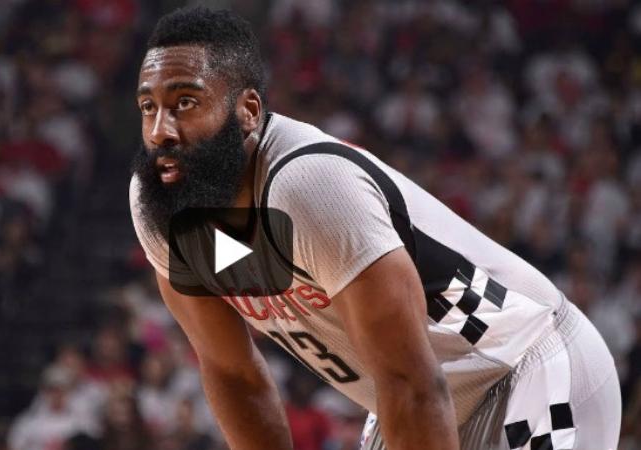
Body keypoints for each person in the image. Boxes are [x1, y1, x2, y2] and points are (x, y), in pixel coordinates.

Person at [128, 7, 622, 450]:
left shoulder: (308, 187)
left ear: (248, 112)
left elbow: (412, 384)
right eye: (149, 107)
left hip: (526, 364)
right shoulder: (162, 207)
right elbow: (234, 375)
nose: (160, 131)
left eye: (185, 103)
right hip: (418, 390)